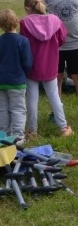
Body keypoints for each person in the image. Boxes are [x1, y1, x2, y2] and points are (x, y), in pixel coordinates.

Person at [20, 0, 71, 139]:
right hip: (50, 64)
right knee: (54, 97)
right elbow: (62, 40)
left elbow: (23, 44)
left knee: (32, 98)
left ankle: (32, 131)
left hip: (32, 66)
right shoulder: (56, 21)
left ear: (27, 8)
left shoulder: (24, 23)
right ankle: (63, 128)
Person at [0, 9, 33, 142]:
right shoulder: (23, 41)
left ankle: (3, 134)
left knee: (2, 109)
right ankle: (18, 136)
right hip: (17, 81)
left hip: (1, 81)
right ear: (16, 22)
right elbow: (27, 62)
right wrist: (25, 73)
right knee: (18, 109)